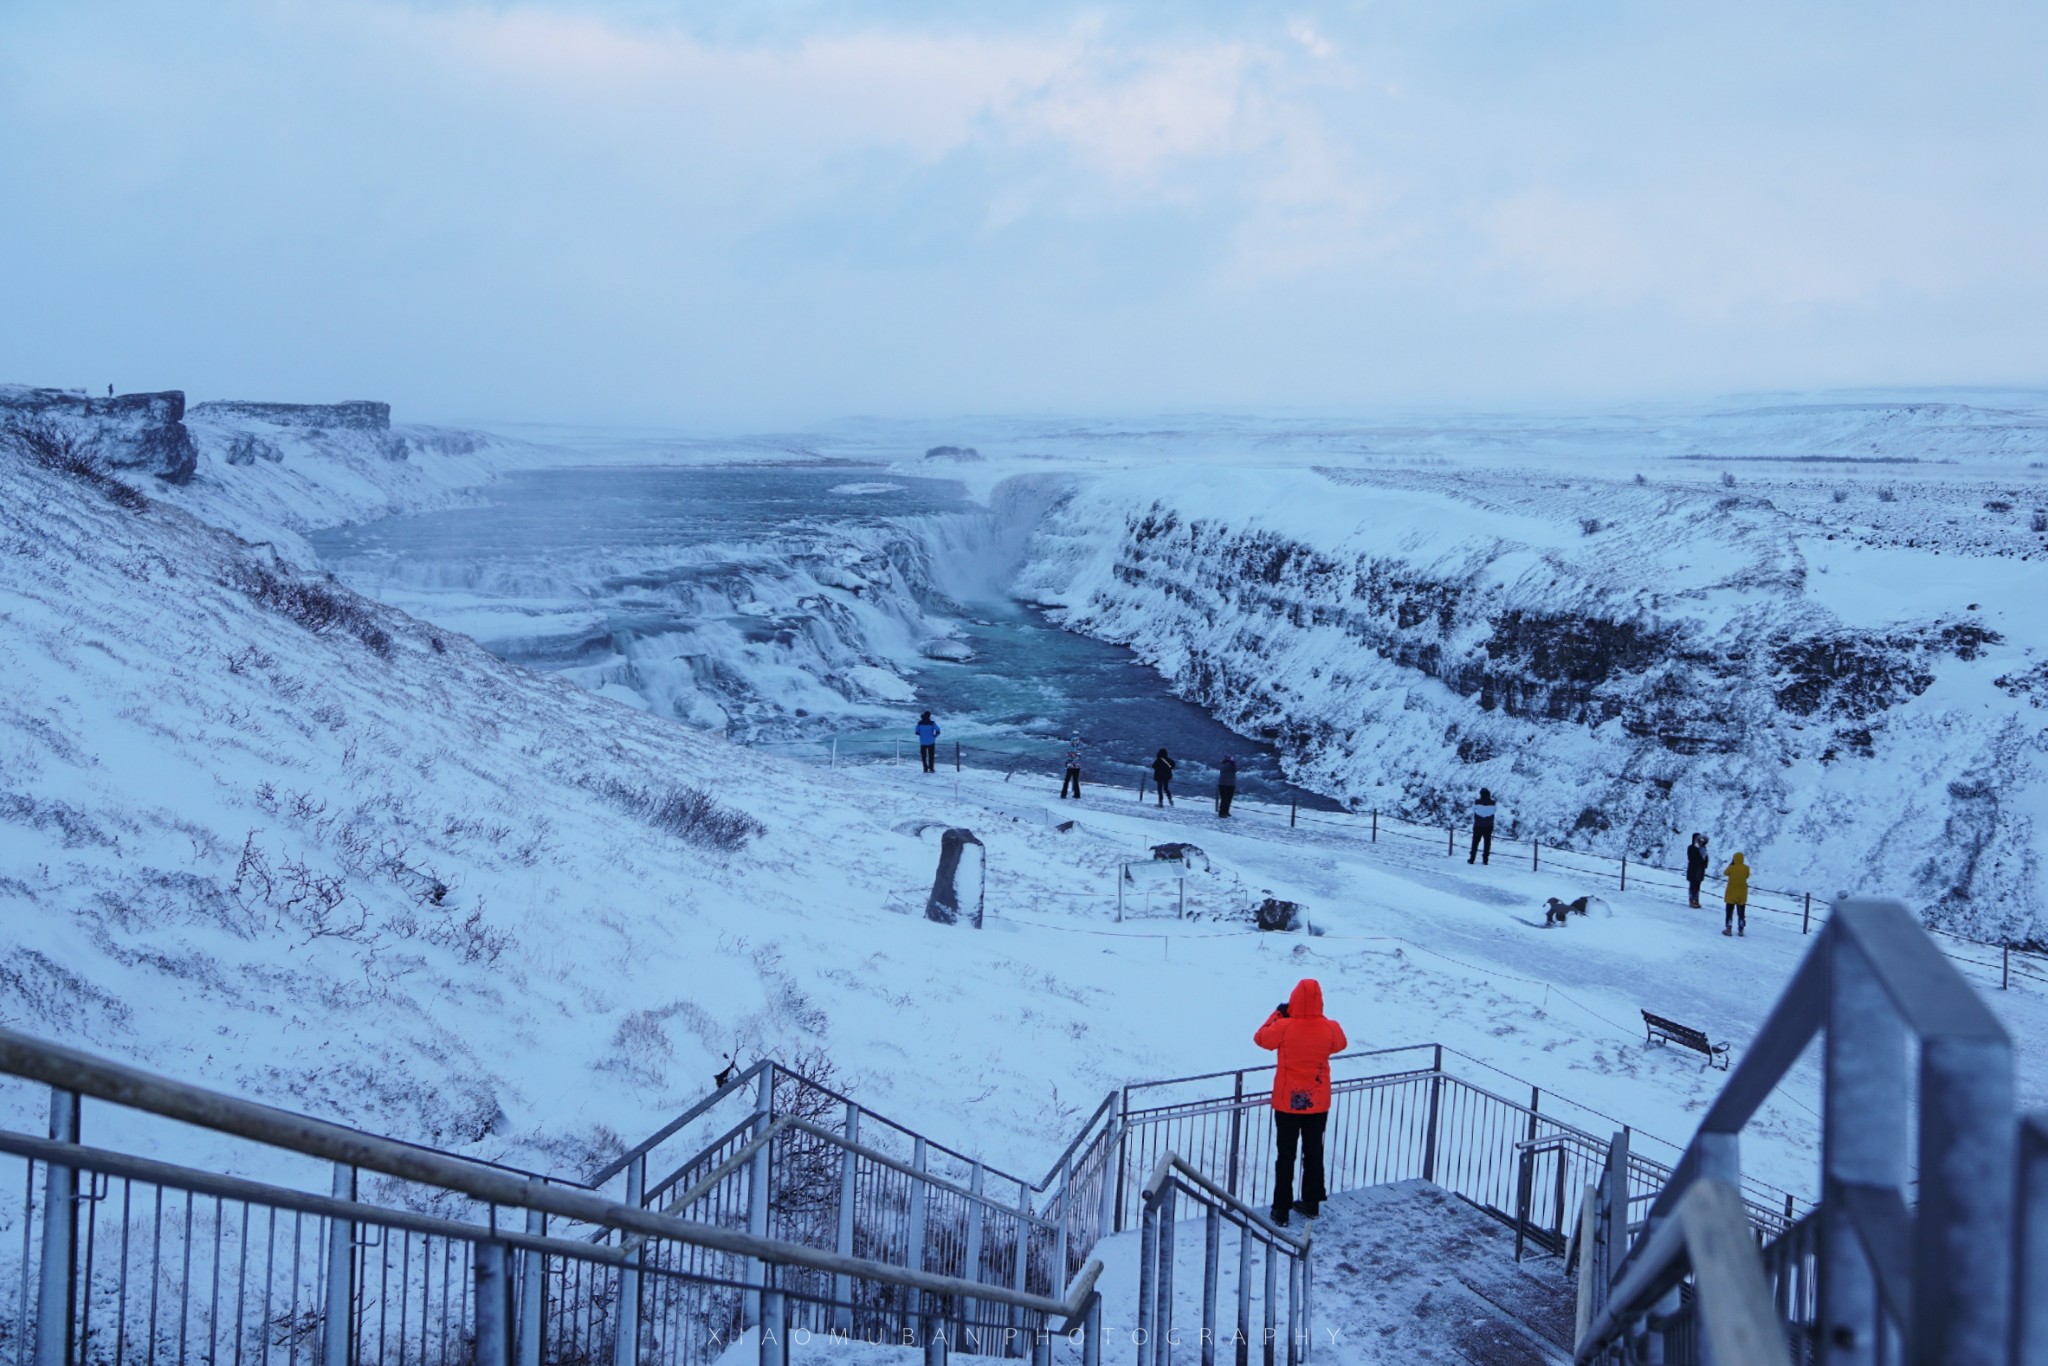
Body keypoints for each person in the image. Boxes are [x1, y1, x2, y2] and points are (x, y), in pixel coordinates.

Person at [1254, 979, 1348, 1226]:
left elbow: (1260, 1038)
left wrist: (1277, 1013)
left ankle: (1281, 1209)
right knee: (1314, 1151)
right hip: (1317, 1102)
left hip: (1288, 1102)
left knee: (1286, 1155)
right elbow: (1340, 1043)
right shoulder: (1330, 1027)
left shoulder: (1284, 1026)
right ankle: (1312, 1203)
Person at [1722, 853, 1750, 937]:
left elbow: (1725, 873)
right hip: (1742, 893)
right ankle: (1741, 929)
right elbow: (1747, 876)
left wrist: (1731, 864)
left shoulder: (1732, 868)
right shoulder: (1746, 868)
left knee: (1729, 912)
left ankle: (1728, 928)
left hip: (1731, 892)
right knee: (1741, 912)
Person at [1468, 788, 1497, 865]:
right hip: (1488, 825)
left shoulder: (1477, 802)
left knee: (1475, 842)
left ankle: (1472, 858)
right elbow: (1494, 811)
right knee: (1487, 843)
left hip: (1478, 825)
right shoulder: (1493, 803)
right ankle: (1485, 860)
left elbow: (1474, 810)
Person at [1685, 834, 1710, 908]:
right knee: (1693, 886)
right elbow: (1691, 858)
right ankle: (1692, 901)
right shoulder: (1691, 848)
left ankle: (1696, 900)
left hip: (1700, 871)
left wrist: (1704, 863)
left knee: (1698, 886)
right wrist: (1701, 859)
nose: (1701, 842)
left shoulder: (1703, 849)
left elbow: (1706, 859)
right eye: (1700, 840)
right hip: (1693, 870)